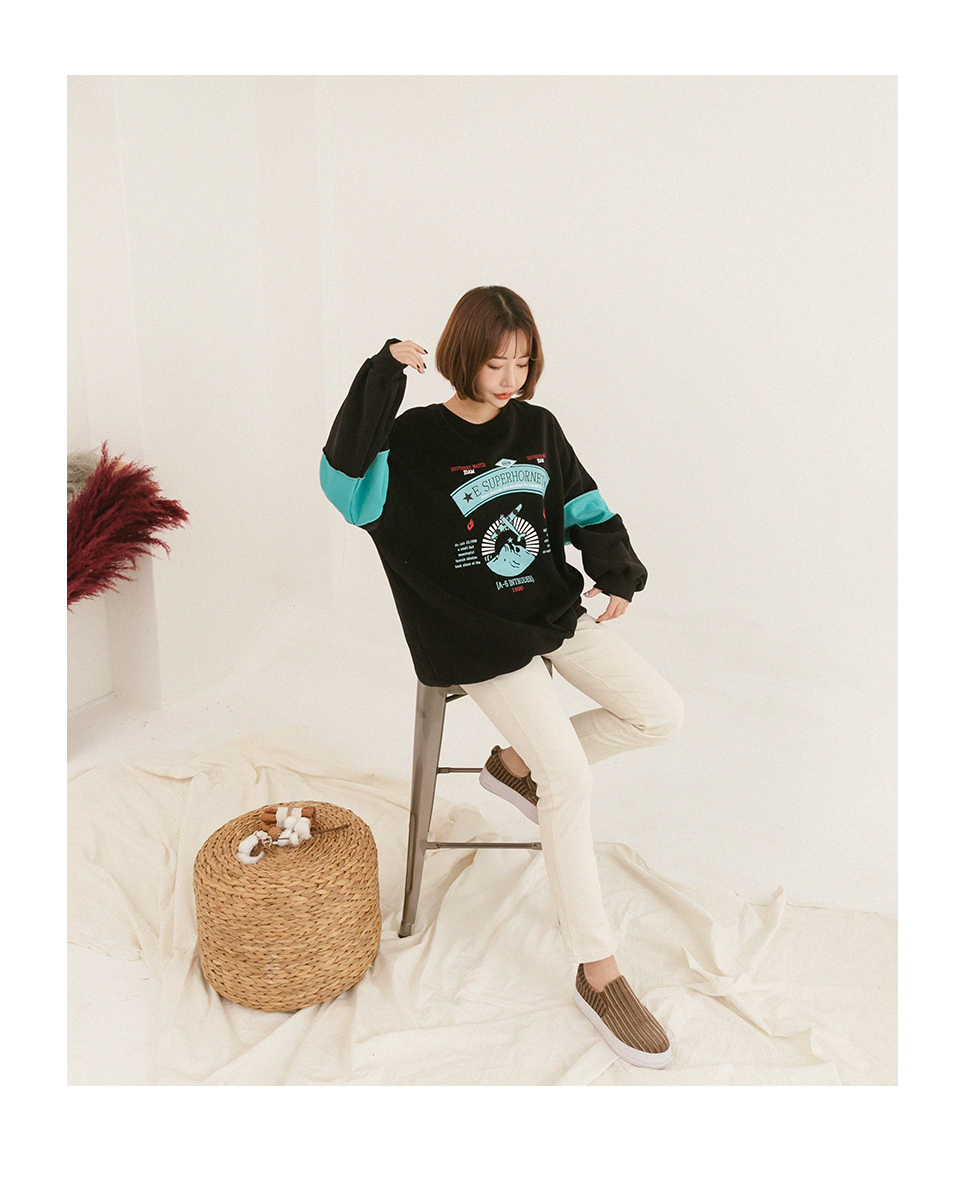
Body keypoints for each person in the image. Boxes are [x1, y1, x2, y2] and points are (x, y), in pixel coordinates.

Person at [321, 285, 683, 1068]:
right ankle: (598, 970)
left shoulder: (537, 428)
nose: (511, 378)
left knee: (660, 713)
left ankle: (516, 765)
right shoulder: (416, 438)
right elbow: (344, 486)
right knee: (570, 781)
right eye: (496, 363)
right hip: (473, 634)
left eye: (523, 362)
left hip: (549, 608)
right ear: (463, 356)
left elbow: (583, 505)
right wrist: (383, 372)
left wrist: (616, 571)